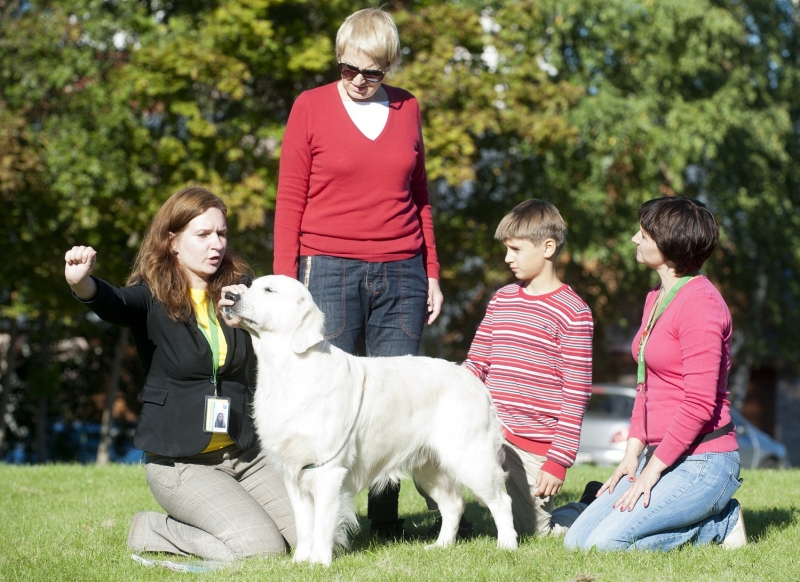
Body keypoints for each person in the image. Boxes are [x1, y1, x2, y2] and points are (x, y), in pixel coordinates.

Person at [273, 7, 442, 540]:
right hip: (327, 270)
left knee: (393, 401)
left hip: (402, 272)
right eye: (349, 69)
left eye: (374, 72)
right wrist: (286, 285)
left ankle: (384, 522)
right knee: (328, 401)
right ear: (338, 61)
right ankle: (331, 525)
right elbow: (288, 200)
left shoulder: (409, 108)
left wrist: (431, 271)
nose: (361, 81)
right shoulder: (310, 107)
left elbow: (421, 198)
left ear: (389, 66)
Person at [64, 186, 296, 561]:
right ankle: (155, 530)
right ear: (172, 241)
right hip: (182, 463)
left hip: (246, 453)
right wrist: (81, 283)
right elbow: (115, 303)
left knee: (318, 536)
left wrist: (250, 315)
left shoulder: (241, 290)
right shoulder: (150, 294)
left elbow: (284, 332)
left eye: (221, 233)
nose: (216, 244)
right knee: (262, 550)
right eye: (202, 235)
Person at [564, 196, 746, 551]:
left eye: (643, 234)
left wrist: (652, 472)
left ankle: (720, 523)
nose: (634, 238)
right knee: (577, 541)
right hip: (659, 453)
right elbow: (645, 389)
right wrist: (632, 456)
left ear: (668, 244)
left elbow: (698, 404)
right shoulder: (655, 298)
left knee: (607, 545)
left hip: (704, 460)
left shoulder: (701, 305)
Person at [463, 199, 594, 538]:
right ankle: (453, 520)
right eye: (507, 249)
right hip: (489, 432)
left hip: (535, 447)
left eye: (516, 249)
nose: (508, 258)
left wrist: (557, 462)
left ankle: (589, 506)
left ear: (548, 247)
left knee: (534, 532)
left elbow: (575, 395)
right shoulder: (502, 299)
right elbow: (475, 364)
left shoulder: (573, 312)